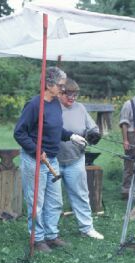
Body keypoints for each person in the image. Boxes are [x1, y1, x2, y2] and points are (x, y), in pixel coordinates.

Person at [14, 67, 87, 253]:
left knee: (55, 201)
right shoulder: (34, 105)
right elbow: (19, 133)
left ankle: (51, 235)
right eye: (61, 85)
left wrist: (71, 136)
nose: (63, 89)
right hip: (35, 160)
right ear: (49, 84)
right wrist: (35, 150)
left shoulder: (55, 103)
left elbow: (55, 129)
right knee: (36, 202)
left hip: (52, 159)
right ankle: (37, 240)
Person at [57, 78, 104, 240]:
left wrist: (94, 134)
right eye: (68, 95)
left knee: (81, 194)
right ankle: (49, 232)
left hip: (75, 159)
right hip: (52, 160)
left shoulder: (80, 108)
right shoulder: (52, 108)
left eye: (75, 95)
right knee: (52, 199)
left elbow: (93, 128)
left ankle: (87, 228)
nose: (72, 98)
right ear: (59, 92)